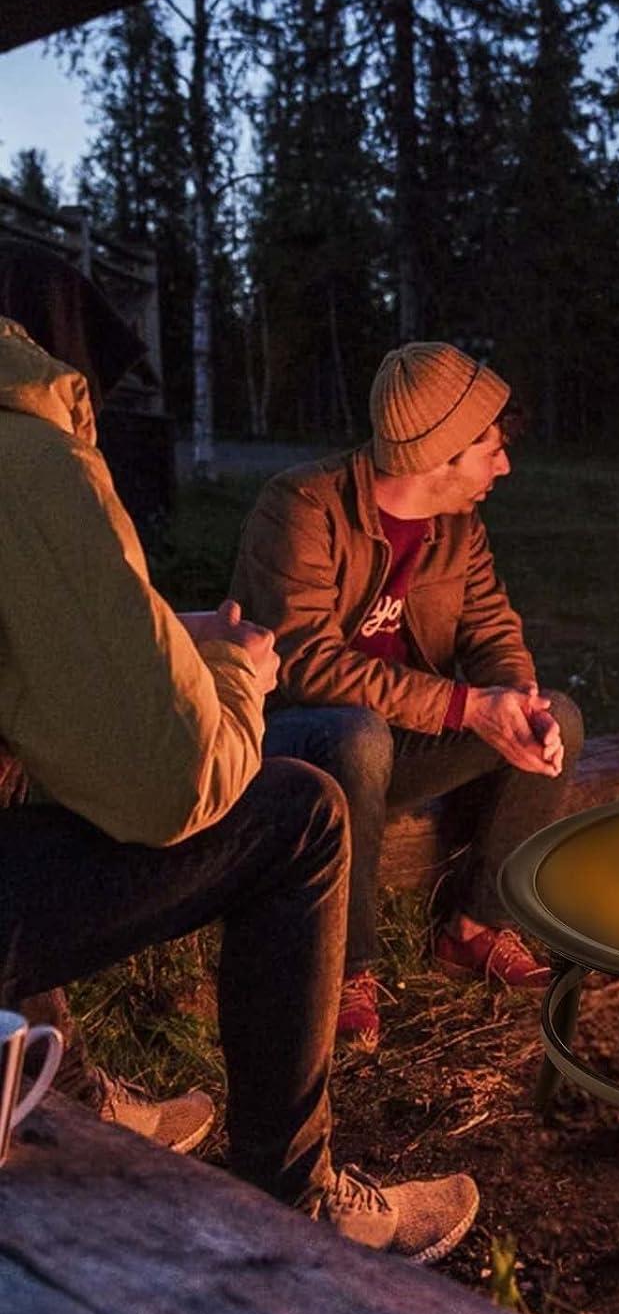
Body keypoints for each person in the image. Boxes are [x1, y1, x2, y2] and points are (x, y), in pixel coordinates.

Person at [0, 316, 478, 1261]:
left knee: (39, 758)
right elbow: (177, 781)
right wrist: (233, 678)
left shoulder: (460, 531)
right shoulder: (28, 452)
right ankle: (295, 1205)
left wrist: (496, 698)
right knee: (300, 812)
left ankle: (64, 1086)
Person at [230, 342, 584, 1050]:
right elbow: (305, 665)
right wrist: (465, 708)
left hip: (392, 743)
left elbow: (491, 629)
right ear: (440, 454)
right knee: (358, 734)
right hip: (291, 746)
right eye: (490, 449)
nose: (504, 465)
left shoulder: (459, 528)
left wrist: (515, 694)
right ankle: (342, 971)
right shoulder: (303, 506)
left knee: (562, 721)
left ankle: (476, 925)